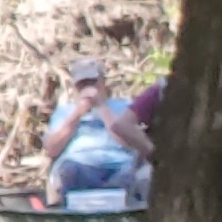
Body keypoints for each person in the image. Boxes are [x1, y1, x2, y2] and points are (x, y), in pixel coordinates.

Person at [39, 58, 152, 206]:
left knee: (134, 177)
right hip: (80, 165)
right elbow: (52, 149)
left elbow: (130, 143)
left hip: (118, 164)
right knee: (67, 171)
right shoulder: (65, 111)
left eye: (92, 82)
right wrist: (77, 114)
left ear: (103, 82)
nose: (88, 88)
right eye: (82, 84)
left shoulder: (124, 107)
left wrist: (102, 108)